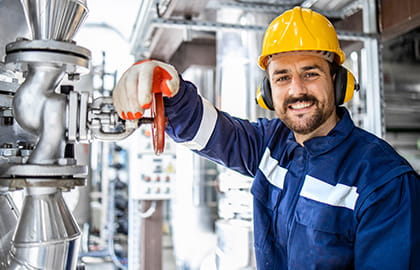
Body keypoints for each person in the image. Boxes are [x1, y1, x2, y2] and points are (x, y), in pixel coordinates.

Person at [112, 6, 420, 270]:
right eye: (282, 77)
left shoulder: (384, 183)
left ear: (338, 82)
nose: (296, 89)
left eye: (310, 73)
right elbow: (210, 130)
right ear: (268, 92)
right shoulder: (271, 143)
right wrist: (170, 91)